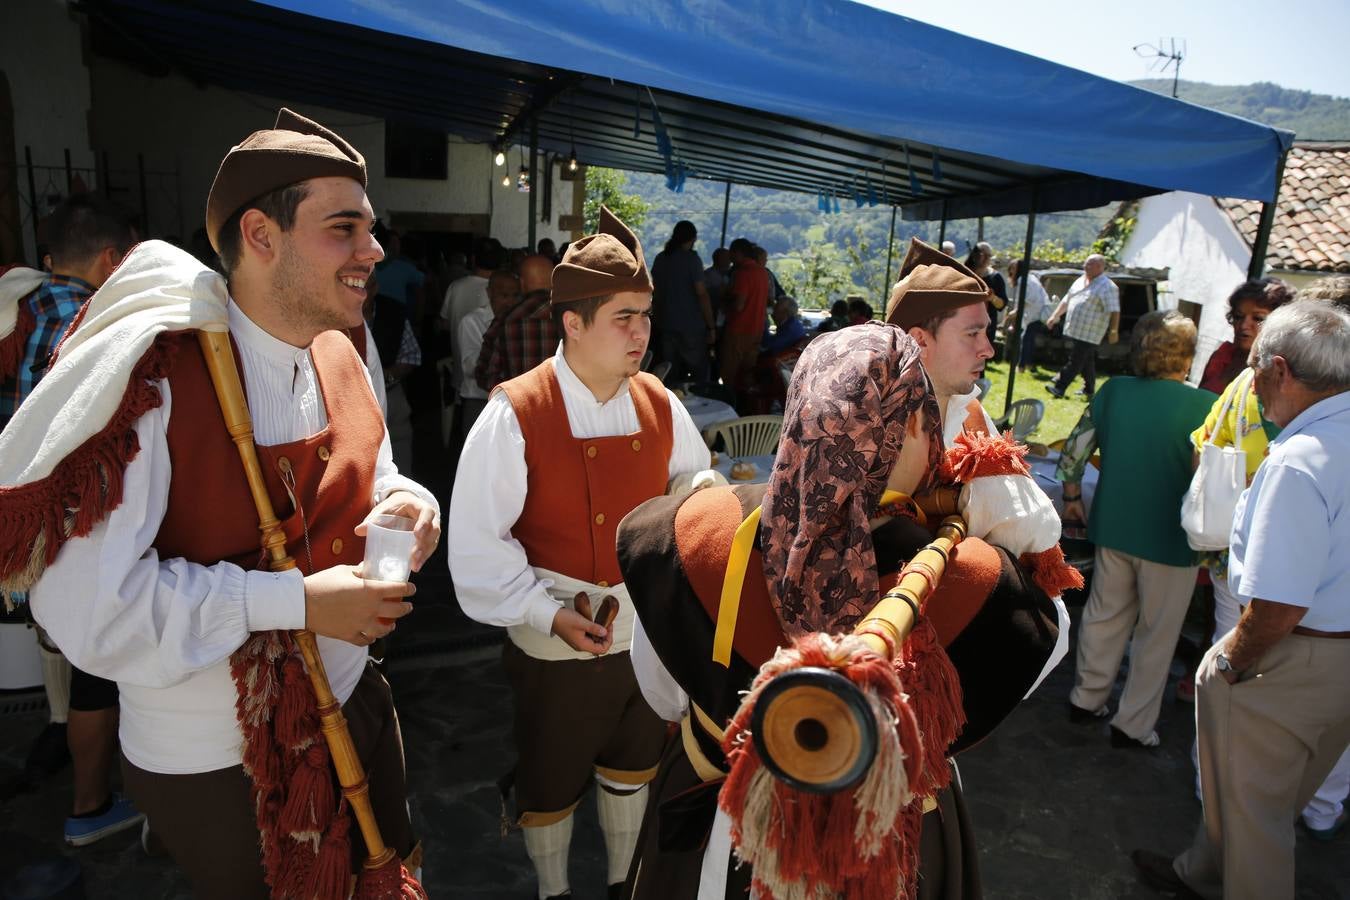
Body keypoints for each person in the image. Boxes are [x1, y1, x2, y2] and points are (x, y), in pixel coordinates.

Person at [6, 108, 440, 899]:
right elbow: (87, 612)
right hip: (218, 756)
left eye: (370, 229)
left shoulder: (347, 346)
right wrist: (293, 603)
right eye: (343, 229)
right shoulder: (157, 378)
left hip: (356, 697)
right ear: (261, 235)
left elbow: (374, 469)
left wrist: (407, 504)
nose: (373, 250)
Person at [615, 316, 1067, 900]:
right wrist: (1000, 511)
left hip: (719, 834)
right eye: (927, 420)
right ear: (906, 427)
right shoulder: (976, 576)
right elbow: (1042, 651)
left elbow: (663, 694)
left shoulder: (694, 528)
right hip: (885, 852)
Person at [449, 208, 710, 900]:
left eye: (645, 317)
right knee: (551, 778)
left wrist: (700, 496)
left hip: (645, 638)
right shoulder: (516, 412)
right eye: (624, 318)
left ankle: (623, 886)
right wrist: (545, 613)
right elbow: (477, 546)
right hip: (557, 641)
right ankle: (554, 891)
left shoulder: (659, 401)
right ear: (573, 322)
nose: (641, 333)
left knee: (635, 767)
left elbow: (693, 483)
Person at [1132, 300, 1350, 900]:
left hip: (1295, 655)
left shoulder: (1301, 459)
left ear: (1279, 370)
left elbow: (1279, 606)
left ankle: (1213, 877)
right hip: (1331, 658)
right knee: (1264, 802)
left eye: (1254, 367)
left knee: (1257, 818)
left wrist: (1230, 660)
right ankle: (1199, 873)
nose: (1250, 383)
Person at [0, 194, 145, 847]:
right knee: (106, 674)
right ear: (112, 259)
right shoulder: (94, 324)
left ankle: (78, 776)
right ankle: (99, 804)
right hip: (83, 522)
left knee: (73, 659)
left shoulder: (19, 310)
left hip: (29, 526)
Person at [1055, 311, 1217, 748]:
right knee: (1156, 635)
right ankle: (1133, 725)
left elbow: (1074, 449)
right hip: (1172, 537)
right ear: (1186, 355)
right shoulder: (1207, 405)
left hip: (1114, 524)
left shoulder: (1114, 391)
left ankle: (1086, 698)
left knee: (1103, 615)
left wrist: (1071, 497)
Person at [474, 253, 559, 392]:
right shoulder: (575, 317)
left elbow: (485, 376)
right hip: (568, 404)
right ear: (555, 279)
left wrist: (517, 393)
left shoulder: (505, 320)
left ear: (522, 283)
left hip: (520, 403)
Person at [1197, 277, 1293, 393]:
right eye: (1238, 316)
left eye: (1258, 318)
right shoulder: (1222, 356)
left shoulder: (1283, 372)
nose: (1243, 325)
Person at [1045, 254, 1120, 399]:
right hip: (1077, 330)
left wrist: (1113, 331)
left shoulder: (1108, 286)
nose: (1085, 266)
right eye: (1085, 263)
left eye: (1089, 264)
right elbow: (1067, 299)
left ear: (1100, 267)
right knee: (1086, 360)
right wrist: (1055, 315)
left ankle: (1059, 388)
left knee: (1076, 360)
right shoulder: (1081, 280)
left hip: (1091, 332)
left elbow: (1114, 310)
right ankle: (1089, 389)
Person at [456, 269, 520, 440]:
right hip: (480, 402)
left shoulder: (518, 322)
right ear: (489, 293)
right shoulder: (471, 321)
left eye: (515, 295)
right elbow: (470, 367)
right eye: (504, 295)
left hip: (512, 402)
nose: (510, 302)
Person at [650, 220, 715, 384]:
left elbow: (655, 292)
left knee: (669, 372)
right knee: (699, 372)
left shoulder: (661, 258)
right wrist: (711, 325)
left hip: (666, 323)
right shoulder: (692, 260)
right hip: (691, 325)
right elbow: (701, 293)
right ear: (693, 238)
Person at [718, 237, 770, 395]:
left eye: (732, 254)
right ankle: (746, 406)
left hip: (738, 330)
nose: (730, 258)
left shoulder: (743, 274)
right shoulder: (763, 273)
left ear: (738, 253)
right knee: (747, 374)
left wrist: (724, 298)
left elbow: (739, 305)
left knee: (729, 374)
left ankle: (729, 404)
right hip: (757, 330)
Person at [440, 235, 503, 353]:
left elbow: (445, 323)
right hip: (491, 362)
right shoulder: (503, 292)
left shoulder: (455, 286)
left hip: (460, 363)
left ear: (473, 259)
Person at [1004, 259, 1051, 372]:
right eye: (1011, 268)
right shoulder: (1030, 278)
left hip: (1035, 314)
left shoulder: (1023, 280)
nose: (1012, 270)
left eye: (1014, 268)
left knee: (1026, 339)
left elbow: (1028, 299)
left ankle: (1022, 366)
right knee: (1028, 339)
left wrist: (1016, 311)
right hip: (1037, 313)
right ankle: (1029, 364)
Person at [963, 242, 1006, 350]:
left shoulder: (995, 278)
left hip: (986, 327)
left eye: (988, 256)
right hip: (963, 323)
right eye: (982, 254)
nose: (985, 258)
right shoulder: (964, 274)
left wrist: (992, 298)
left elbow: (1002, 305)